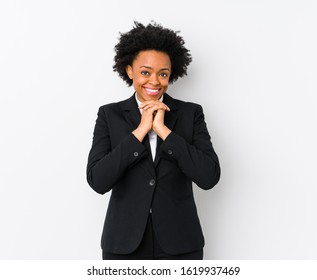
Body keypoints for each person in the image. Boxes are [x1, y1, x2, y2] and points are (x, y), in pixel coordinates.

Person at [86, 22, 220, 260]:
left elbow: (208, 176)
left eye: (163, 73)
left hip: (181, 244)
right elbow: (98, 180)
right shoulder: (109, 115)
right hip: (124, 245)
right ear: (130, 71)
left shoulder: (191, 114)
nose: (154, 81)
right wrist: (140, 131)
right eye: (145, 72)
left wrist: (163, 130)